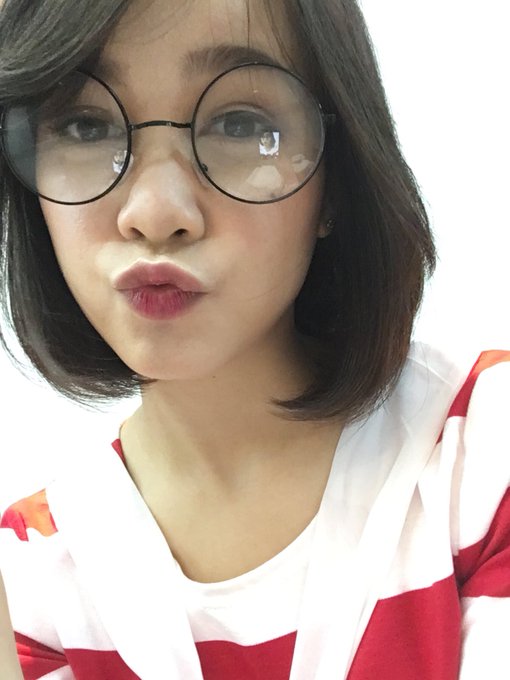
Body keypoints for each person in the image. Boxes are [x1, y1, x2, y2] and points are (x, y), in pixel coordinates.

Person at [0, 0, 508, 678]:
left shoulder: (481, 455)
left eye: (239, 124)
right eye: (85, 125)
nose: (155, 213)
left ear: (336, 182)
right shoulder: (32, 578)